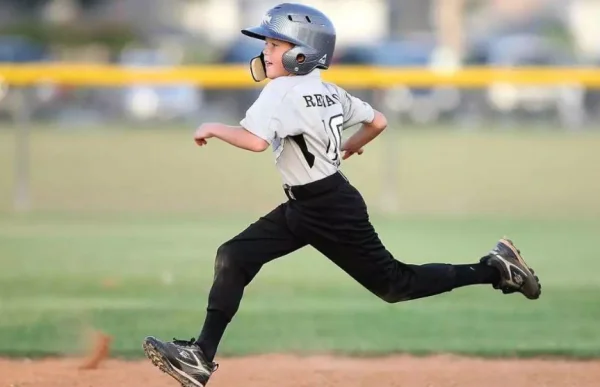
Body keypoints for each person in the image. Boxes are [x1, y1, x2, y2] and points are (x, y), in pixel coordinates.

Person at [142, 3, 541, 387]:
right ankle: (200, 356)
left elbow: (255, 142)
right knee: (234, 255)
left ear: (301, 54)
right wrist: (349, 146)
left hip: (328, 209)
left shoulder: (281, 93)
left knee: (395, 285)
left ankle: (496, 269)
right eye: (266, 43)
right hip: (311, 202)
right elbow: (378, 120)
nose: (265, 50)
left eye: (274, 45)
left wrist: (212, 126)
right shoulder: (326, 89)